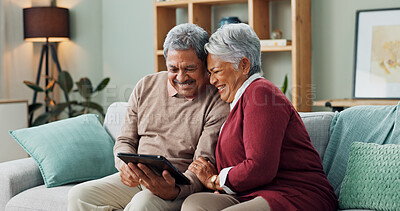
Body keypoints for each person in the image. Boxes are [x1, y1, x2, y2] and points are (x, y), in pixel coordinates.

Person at [68, 23, 230, 211]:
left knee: (142, 205)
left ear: (205, 65)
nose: (181, 77)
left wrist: (174, 191)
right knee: (80, 195)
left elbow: (202, 165)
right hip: (137, 177)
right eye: (173, 68)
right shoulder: (146, 85)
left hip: (178, 186)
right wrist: (124, 167)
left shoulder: (217, 101)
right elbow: (124, 140)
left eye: (190, 68)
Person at [181, 23, 338, 211]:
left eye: (216, 71)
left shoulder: (262, 94)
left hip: (294, 193)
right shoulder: (238, 101)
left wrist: (215, 180)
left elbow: (260, 168)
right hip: (252, 193)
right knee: (194, 204)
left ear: (244, 65)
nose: (212, 80)